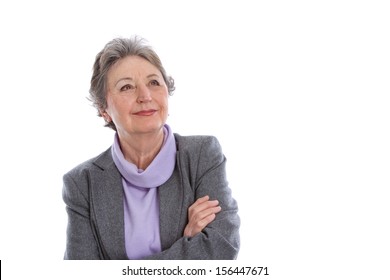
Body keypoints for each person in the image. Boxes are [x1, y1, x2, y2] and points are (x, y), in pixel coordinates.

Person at [62, 36, 240, 260]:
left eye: (154, 82)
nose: (145, 96)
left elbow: (221, 247)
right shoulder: (82, 182)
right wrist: (187, 244)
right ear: (103, 109)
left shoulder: (202, 155)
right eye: (127, 87)